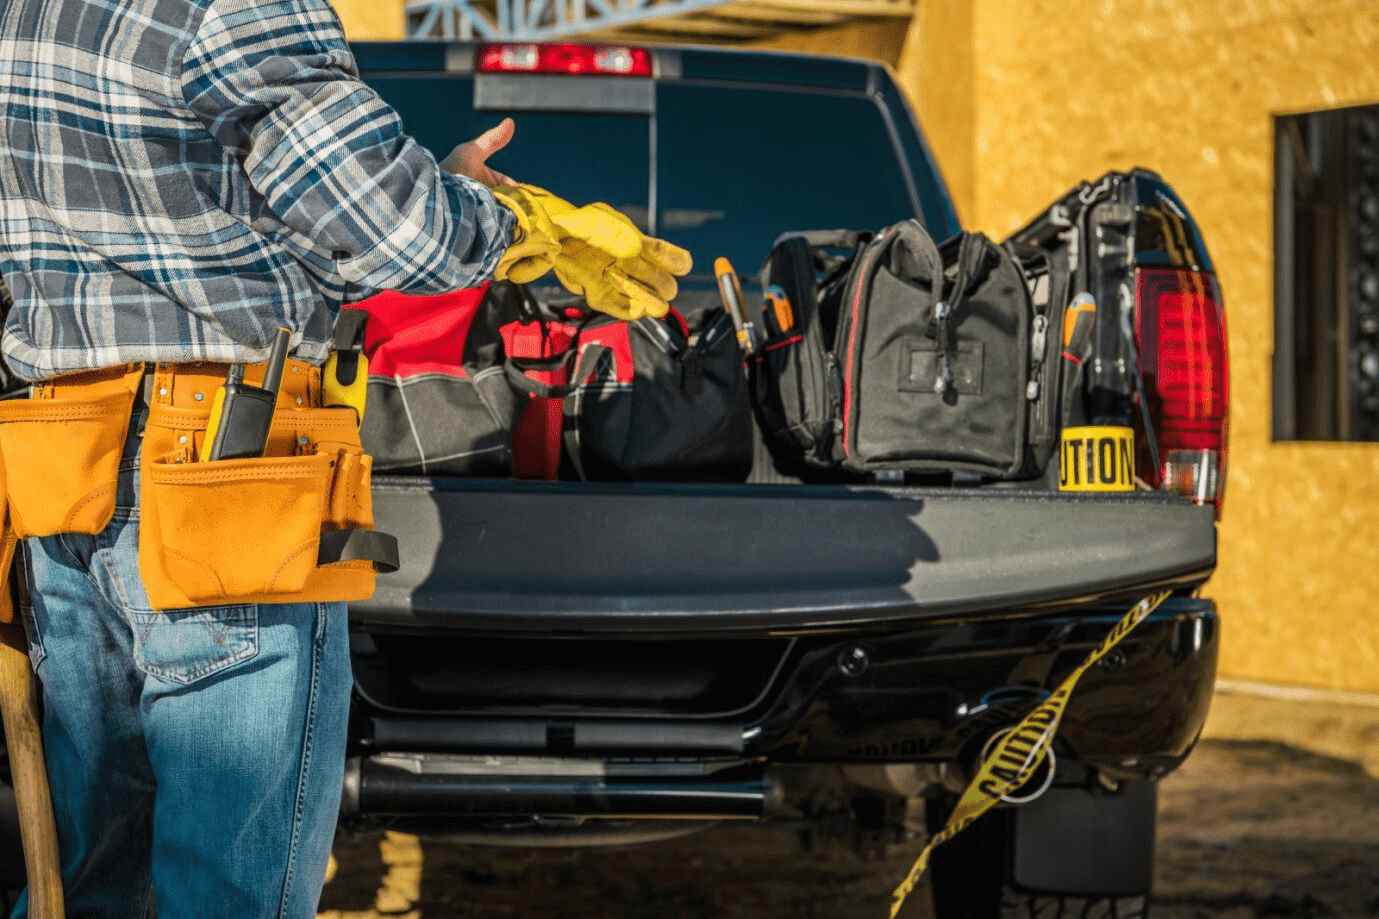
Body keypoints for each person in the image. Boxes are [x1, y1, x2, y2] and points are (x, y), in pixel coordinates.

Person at [0, 0, 688, 915]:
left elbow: (246, 236)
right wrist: (507, 222)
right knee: (225, 891)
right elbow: (395, 231)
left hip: (58, 477)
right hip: (225, 481)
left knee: (97, 878)